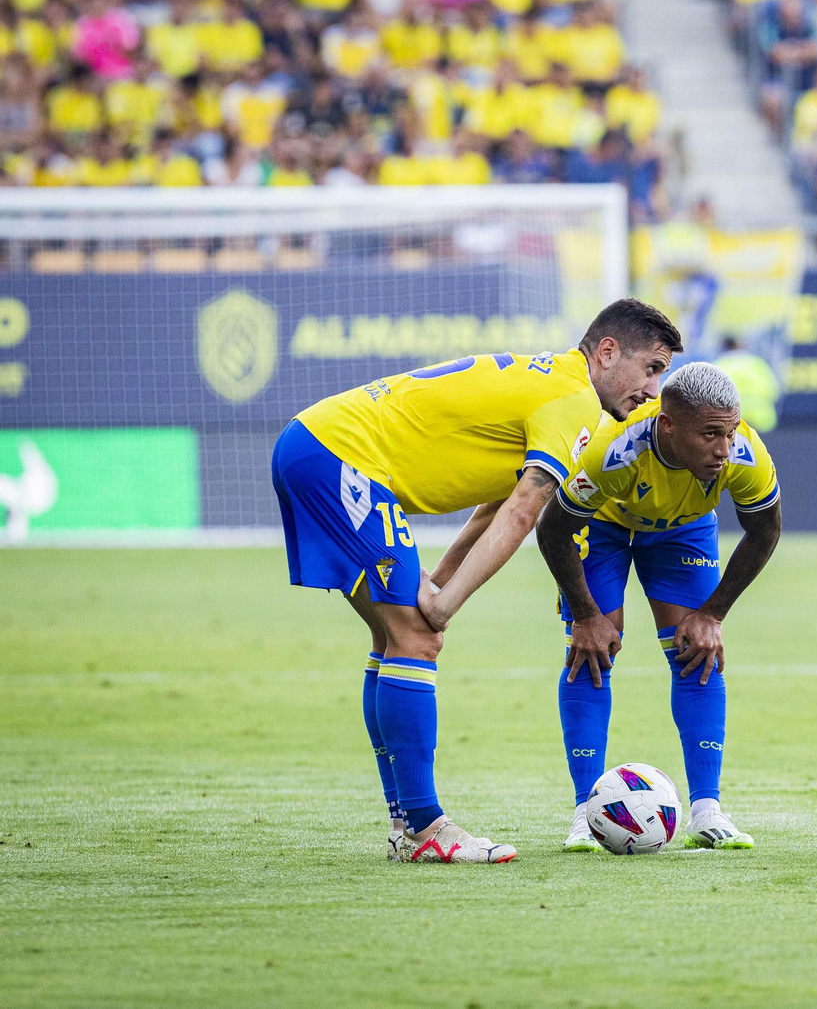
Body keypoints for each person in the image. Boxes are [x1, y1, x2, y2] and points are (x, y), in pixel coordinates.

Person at [269, 299, 682, 863]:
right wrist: (441, 610)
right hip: (342, 456)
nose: (654, 390)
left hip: (316, 444)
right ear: (607, 352)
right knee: (417, 637)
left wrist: (438, 585)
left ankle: (404, 822)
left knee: (394, 639)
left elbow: (493, 506)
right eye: (652, 368)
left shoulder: (551, 383)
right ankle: (424, 827)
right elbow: (522, 514)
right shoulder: (574, 401)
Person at [537, 363, 782, 852]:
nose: (723, 448)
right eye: (711, 434)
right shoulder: (615, 452)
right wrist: (586, 615)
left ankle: (707, 810)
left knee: (696, 650)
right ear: (667, 426)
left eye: (730, 432)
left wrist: (712, 614)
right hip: (602, 524)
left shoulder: (745, 454)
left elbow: (765, 531)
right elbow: (552, 530)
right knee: (592, 650)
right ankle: (585, 811)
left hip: (681, 528)